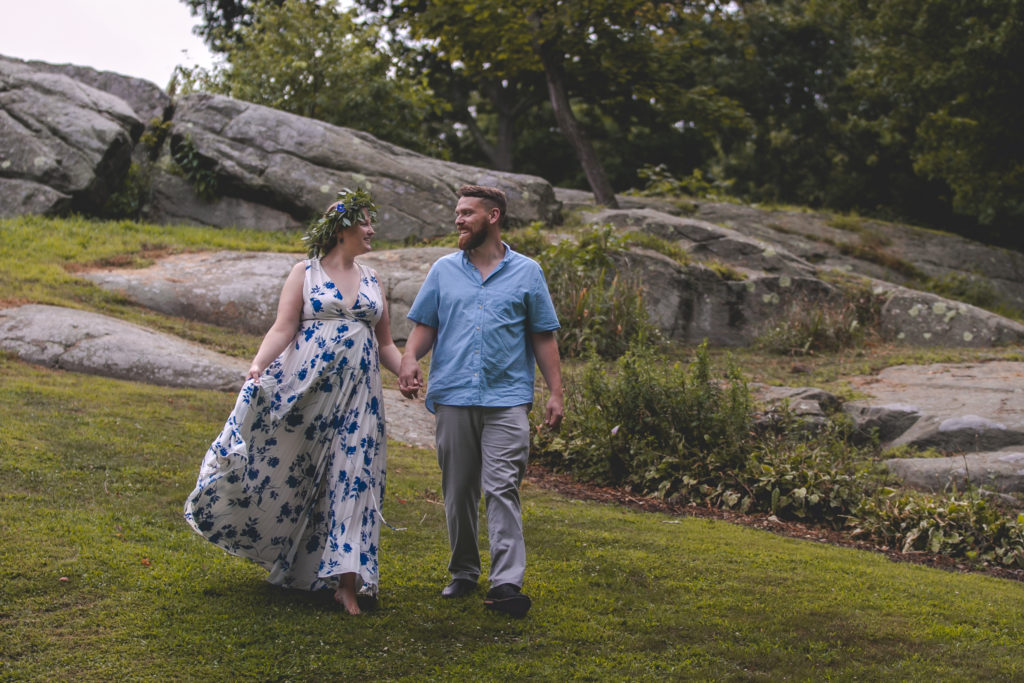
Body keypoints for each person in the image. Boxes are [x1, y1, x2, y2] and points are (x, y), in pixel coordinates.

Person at [184, 188, 406, 615]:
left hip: (361, 398)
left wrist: (408, 373)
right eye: (365, 223)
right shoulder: (304, 272)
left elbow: (384, 345)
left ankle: (347, 581)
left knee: (354, 476)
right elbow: (283, 329)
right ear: (342, 230)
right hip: (307, 393)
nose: (372, 230)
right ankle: (301, 565)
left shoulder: (374, 279)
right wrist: (258, 366)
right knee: (299, 473)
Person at [398, 184, 564, 618]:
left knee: (502, 486)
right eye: (457, 212)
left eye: (467, 213)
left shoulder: (528, 272)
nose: (458, 220)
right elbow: (424, 326)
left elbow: (542, 336)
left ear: (492, 216)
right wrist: (410, 358)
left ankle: (507, 583)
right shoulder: (443, 270)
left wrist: (556, 393)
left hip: (507, 399)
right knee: (458, 490)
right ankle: (464, 572)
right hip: (453, 394)